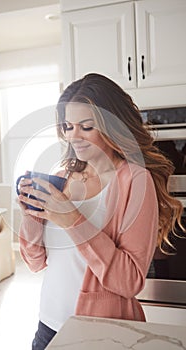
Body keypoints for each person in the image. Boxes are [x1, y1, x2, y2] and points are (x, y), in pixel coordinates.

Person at [17, 73, 184, 350]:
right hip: (48, 326)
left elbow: (129, 280)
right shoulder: (63, 175)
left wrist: (70, 218)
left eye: (86, 127)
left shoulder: (135, 180)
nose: (74, 136)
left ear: (111, 126)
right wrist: (30, 214)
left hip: (102, 332)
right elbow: (35, 261)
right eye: (68, 126)